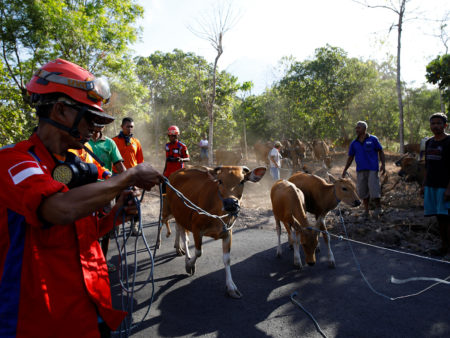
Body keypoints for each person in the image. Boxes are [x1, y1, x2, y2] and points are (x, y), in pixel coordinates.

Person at [0, 58, 163, 337]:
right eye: (89, 117)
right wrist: (128, 177)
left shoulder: (80, 163)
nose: (94, 127)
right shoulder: (14, 160)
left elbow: (84, 232)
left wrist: (116, 213)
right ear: (60, 110)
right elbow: (58, 210)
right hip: (39, 321)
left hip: (92, 311)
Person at [89, 124, 127, 272]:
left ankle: (103, 260)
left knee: (107, 226)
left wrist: (129, 182)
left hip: (106, 190)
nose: (99, 125)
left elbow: (119, 165)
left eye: (102, 122)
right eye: (96, 121)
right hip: (86, 191)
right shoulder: (82, 142)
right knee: (87, 225)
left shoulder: (109, 143)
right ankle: (88, 260)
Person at [342, 121, 386, 219]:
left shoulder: (373, 139)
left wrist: (383, 164)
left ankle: (378, 208)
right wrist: (345, 169)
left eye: (359, 128)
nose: (356, 130)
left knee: (374, 188)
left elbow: (381, 151)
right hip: (361, 170)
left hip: (372, 168)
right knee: (363, 190)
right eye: (356, 128)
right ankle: (366, 211)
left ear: (364, 129)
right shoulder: (354, 143)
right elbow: (350, 157)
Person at [422, 112, 450, 256]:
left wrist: (448, 189)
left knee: (447, 217)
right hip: (431, 185)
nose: (436, 126)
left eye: (439, 123)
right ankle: (444, 246)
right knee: (439, 217)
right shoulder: (429, 142)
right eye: (433, 123)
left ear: (445, 125)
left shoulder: (449, 141)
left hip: (445, 187)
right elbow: (427, 165)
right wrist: (424, 184)